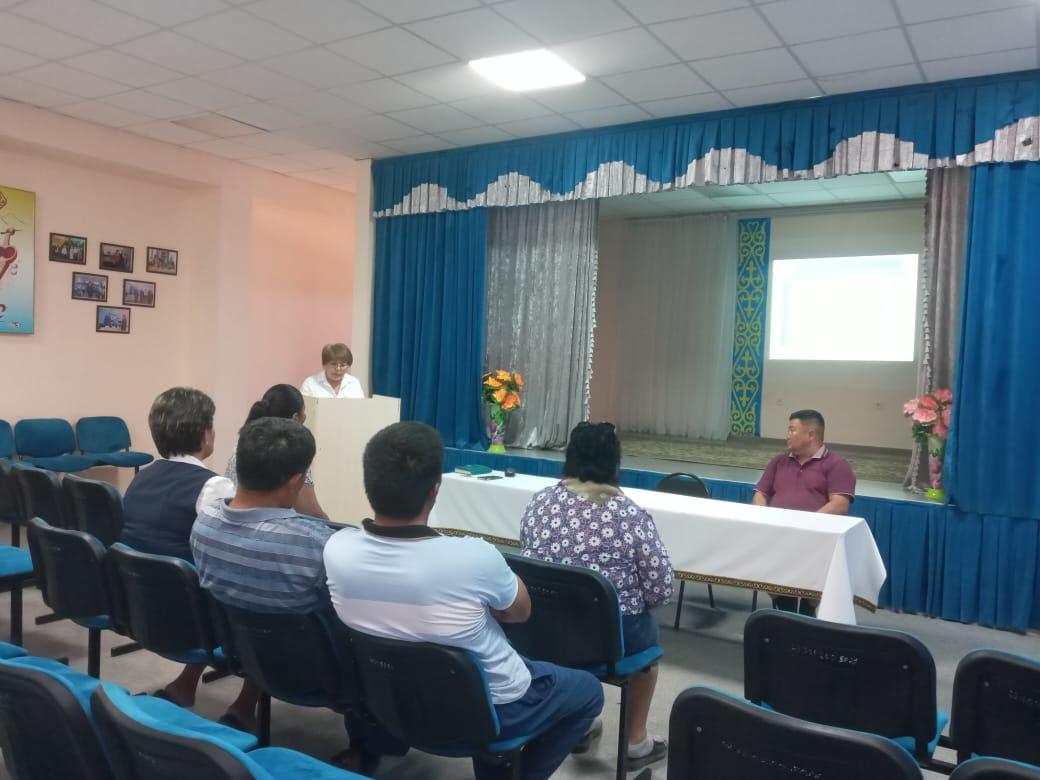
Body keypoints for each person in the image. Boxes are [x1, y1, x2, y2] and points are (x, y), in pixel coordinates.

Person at [324, 422, 604, 780]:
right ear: (435, 490)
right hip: (490, 710)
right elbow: (520, 612)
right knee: (588, 691)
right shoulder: (473, 557)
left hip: (390, 698)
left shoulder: (337, 549)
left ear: (368, 484)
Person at [519, 421, 672, 772]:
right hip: (608, 640)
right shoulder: (630, 515)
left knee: (569, 626)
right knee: (647, 640)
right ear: (614, 462)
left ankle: (579, 722)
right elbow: (661, 589)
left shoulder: (540, 503)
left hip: (543, 631)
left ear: (569, 457)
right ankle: (635, 742)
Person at [119, 387, 254, 726]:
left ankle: (184, 686)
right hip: (192, 620)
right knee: (264, 598)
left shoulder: (141, 477)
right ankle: (244, 708)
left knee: (200, 581)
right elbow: (233, 556)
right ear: (205, 434)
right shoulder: (214, 486)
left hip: (142, 608)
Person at [752, 409, 857, 615]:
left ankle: (807, 612)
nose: (787, 435)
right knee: (765, 551)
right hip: (778, 537)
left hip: (816, 540)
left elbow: (839, 504)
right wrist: (764, 519)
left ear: (811, 435)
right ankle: (784, 608)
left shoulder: (837, 464)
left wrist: (805, 526)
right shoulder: (779, 462)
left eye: (792, 430)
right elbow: (760, 494)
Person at [225, 384, 328, 520]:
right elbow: (310, 512)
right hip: (274, 527)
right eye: (304, 411)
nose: (305, 416)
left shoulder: (243, 442)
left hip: (234, 519)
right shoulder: (294, 452)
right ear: (295, 418)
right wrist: (335, 528)